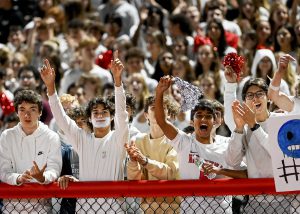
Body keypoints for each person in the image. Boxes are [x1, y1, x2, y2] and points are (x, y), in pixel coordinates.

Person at [40, 50, 129, 213]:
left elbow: (122, 114)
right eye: (95, 112)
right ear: (89, 118)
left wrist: (117, 81)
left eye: (104, 112)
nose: (100, 115)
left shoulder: (118, 138)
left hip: (113, 210)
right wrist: (51, 88)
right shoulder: (82, 139)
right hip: (84, 210)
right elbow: (61, 118)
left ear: (111, 118)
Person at [154, 76, 246, 214]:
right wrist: (159, 92)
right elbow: (161, 122)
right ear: (192, 122)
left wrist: (219, 171)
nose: (204, 119)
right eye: (199, 115)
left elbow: (245, 174)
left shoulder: (226, 143)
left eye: (208, 116)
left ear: (214, 122)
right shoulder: (184, 142)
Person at [223, 66, 291, 213]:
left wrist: (254, 125)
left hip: (285, 200)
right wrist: (239, 128)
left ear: (268, 98)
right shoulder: (243, 128)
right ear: (245, 101)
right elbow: (231, 161)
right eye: (249, 95)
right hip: (255, 202)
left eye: (259, 93)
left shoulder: (281, 121)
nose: (255, 98)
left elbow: (279, 153)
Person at [0, 89, 62, 213]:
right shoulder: (7, 136)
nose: (27, 115)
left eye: (32, 110)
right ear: (17, 112)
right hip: (10, 208)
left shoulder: (51, 137)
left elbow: (54, 169)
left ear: (40, 112)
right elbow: (3, 171)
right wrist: (18, 178)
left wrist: (42, 177)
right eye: (22, 110)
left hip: (41, 208)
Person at [126, 95, 180, 213]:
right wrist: (133, 161)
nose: (158, 111)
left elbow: (170, 173)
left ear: (169, 114)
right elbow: (134, 179)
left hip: (173, 208)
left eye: (163, 108)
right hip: (148, 209)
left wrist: (145, 161)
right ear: (146, 115)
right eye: (154, 108)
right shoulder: (138, 140)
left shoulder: (177, 139)